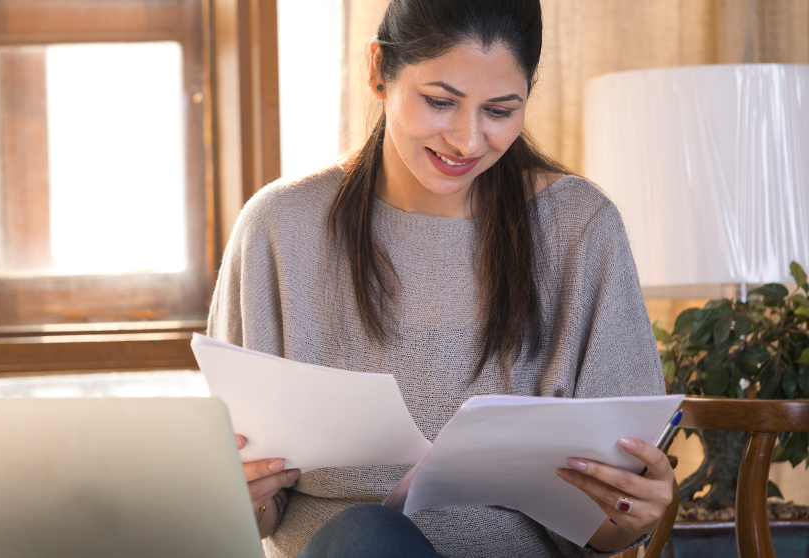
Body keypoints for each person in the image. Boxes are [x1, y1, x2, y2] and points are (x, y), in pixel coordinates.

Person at [207, 0, 674, 556]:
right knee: (366, 535)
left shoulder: (578, 229)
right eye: (440, 102)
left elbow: (606, 529)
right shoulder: (279, 229)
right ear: (379, 70)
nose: (467, 141)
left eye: (499, 111)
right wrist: (241, 492)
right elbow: (255, 507)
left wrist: (632, 511)